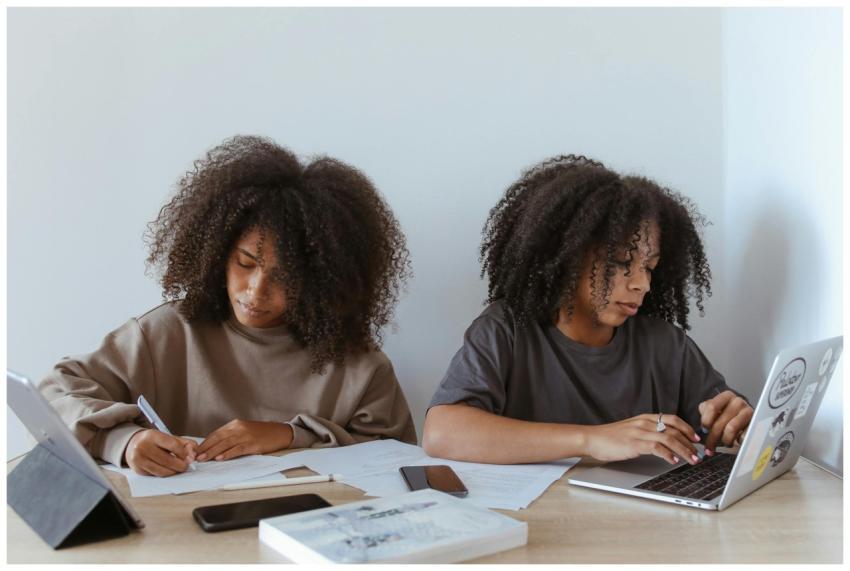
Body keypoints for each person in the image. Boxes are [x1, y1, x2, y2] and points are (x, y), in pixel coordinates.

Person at [39, 135, 416, 477]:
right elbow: (53, 393)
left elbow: (397, 462)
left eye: (284, 278)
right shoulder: (168, 332)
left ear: (322, 280)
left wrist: (290, 436)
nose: (255, 290)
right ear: (218, 252)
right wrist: (123, 442)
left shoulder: (360, 368)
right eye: (246, 263)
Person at [423, 155, 753, 466]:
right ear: (568, 257)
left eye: (650, 268)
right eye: (623, 263)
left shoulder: (666, 346)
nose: (642, 284)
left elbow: (722, 430)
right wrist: (591, 440)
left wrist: (742, 425)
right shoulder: (506, 329)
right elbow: (441, 432)